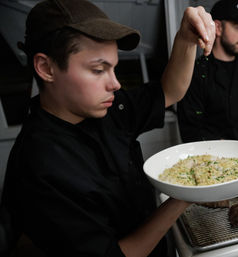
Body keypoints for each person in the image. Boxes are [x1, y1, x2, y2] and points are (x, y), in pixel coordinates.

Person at [0, 0, 215, 256]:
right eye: (98, 69)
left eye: (114, 68)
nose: (115, 84)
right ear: (47, 68)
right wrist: (184, 194)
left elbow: (169, 91)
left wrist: (186, 38)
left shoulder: (107, 109)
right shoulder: (40, 168)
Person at [177, 0, 238, 148]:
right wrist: (228, 150)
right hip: (211, 158)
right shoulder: (195, 72)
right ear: (218, 28)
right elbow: (190, 129)